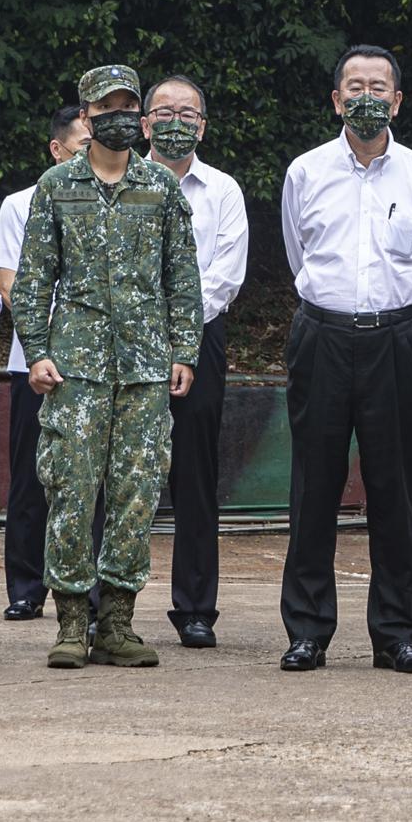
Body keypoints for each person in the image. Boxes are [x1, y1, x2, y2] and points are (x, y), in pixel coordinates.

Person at [12, 66, 201, 671]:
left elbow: (183, 279)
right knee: (70, 487)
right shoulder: (55, 186)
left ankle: (117, 622)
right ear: (87, 116)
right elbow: (33, 278)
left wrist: (184, 350)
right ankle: (71, 622)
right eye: (107, 107)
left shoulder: (161, 187)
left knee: (136, 494)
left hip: (145, 367)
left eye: (128, 106)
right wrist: (37, 350)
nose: (118, 116)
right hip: (76, 368)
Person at [274, 45, 412, 674]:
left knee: (394, 485)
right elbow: (300, 255)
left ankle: (396, 632)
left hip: (395, 340)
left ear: (398, 100)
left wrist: (387, 314)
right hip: (321, 336)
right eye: (355, 86)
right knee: (313, 484)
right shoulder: (307, 171)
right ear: (336, 99)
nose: (366, 96)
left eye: (379, 87)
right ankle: (308, 630)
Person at [142, 74, 251, 649]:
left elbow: (225, 276)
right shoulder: (119, 181)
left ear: (203, 125)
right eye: (163, 112)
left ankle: (195, 606)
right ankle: (101, 603)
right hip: (123, 343)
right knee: (116, 472)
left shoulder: (223, 191)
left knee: (194, 474)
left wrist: (178, 335)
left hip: (200, 340)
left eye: (187, 113)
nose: (175, 121)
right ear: (144, 124)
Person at [0, 105, 89, 621]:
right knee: (31, 478)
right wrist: (47, 343)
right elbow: (9, 284)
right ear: (57, 150)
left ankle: (91, 592)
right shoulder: (19, 204)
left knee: (94, 479)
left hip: (100, 367)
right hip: (33, 360)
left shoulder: (119, 200)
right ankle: (27, 587)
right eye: (81, 145)